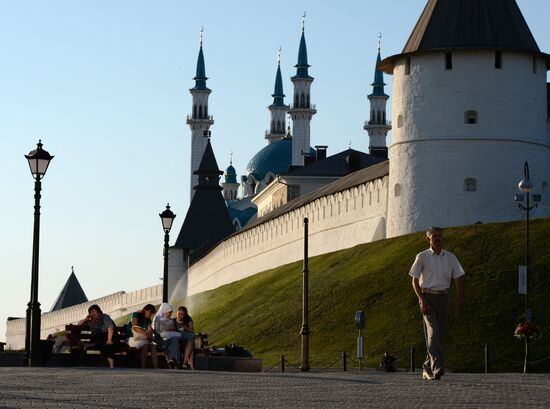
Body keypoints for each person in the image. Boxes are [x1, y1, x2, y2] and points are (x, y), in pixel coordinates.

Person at [409, 226, 465, 380]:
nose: (437, 238)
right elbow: (414, 281)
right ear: (429, 239)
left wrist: (460, 295)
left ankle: (426, 367)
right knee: (433, 333)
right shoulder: (422, 257)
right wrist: (421, 299)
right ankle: (438, 366)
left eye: (439, 236)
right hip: (428, 297)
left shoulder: (450, 257)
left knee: (439, 334)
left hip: (444, 298)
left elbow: (458, 277)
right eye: (434, 236)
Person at [127, 303, 157, 368]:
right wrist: (146, 334)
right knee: (145, 345)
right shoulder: (135, 315)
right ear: (145, 310)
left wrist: (150, 334)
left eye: (152, 314)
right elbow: (135, 327)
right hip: (132, 338)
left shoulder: (148, 320)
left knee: (153, 346)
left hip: (141, 339)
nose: (150, 315)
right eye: (150, 312)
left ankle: (156, 366)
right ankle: (143, 366)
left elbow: (150, 331)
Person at [152, 303, 181, 369]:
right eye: (169, 312)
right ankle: (174, 360)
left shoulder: (170, 319)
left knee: (175, 339)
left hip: (168, 337)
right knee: (174, 340)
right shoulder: (157, 319)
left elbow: (173, 328)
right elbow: (157, 332)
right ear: (164, 311)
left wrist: (172, 329)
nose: (170, 314)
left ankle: (172, 360)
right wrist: (166, 329)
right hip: (159, 340)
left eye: (171, 313)